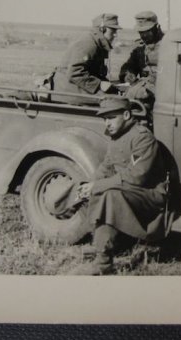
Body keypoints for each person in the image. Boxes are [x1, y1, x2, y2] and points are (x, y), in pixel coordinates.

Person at [69, 97, 172, 275]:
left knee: (110, 195)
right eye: (105, 119)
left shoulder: (142, 138)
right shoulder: (116, 137)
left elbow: (137, 177)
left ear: (126, 115)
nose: (107, 123)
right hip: (129, 190)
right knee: (93, 189)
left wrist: (99, 185)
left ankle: (103, 262)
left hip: (149, 195)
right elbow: (106, 167)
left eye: (111, 118)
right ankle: (102, 243)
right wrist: (89, 185)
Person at [50, 13, 121, 104]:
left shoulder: (98, 43)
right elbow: (75, 73)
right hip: (67, 88)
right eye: (113, 30)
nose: (115, 35)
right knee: (114, 100)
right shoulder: (89, 44)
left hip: (77, 84)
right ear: (102, 29)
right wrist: (99, 84)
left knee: (115, 94)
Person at [118, 11, 163, 106]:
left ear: (157, 28)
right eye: (140, 32)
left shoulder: (168, 46)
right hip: (142, 94)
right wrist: (127, 74)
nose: (143, 36)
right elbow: (129, 65)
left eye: (147, 31)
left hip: (160, 94)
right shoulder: (140, 48)